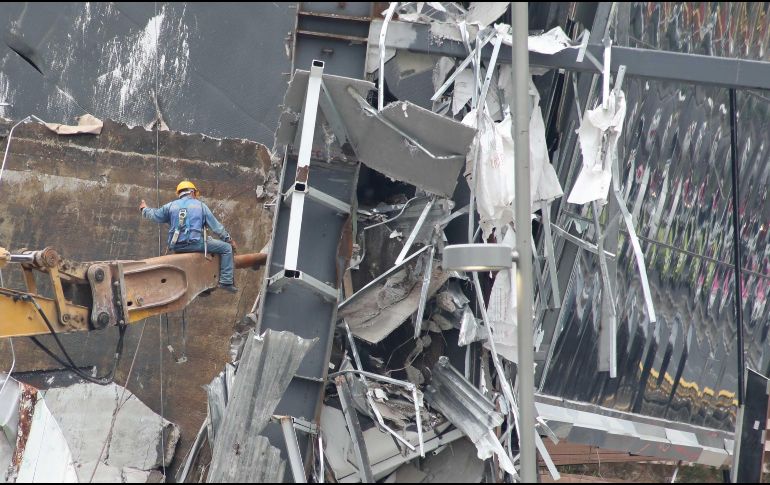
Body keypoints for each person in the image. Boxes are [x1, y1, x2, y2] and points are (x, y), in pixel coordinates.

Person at [140, 180, 239, 293]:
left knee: (207, 244)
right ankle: (226, 282)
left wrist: (144, 209)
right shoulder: (201, 206)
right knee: (226, 248)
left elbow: (155, 216)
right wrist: (229, 240)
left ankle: (203, 288)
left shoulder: (170, 206)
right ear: (192, 193)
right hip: (194, 244)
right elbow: (217, 228)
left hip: (177, 246)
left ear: (180, 194)